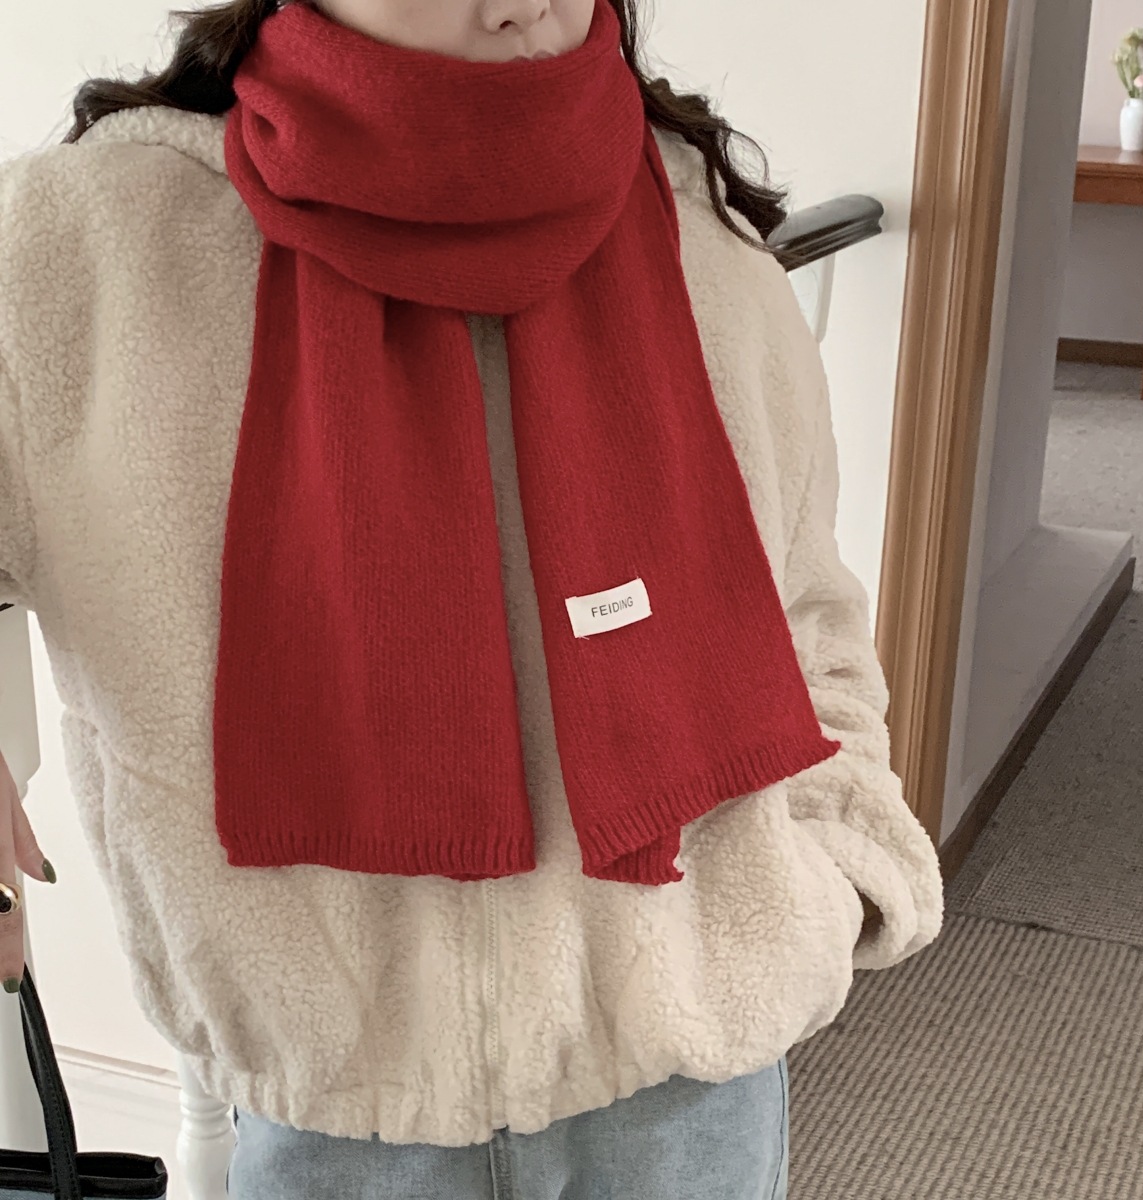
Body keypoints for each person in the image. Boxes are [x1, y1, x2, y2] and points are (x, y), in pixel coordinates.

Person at [0, 0, 945, 1195]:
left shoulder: (701, 230)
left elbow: (807, 608)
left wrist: (844, 868)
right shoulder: (85, 246)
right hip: (335, 1121)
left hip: (694, 1093)